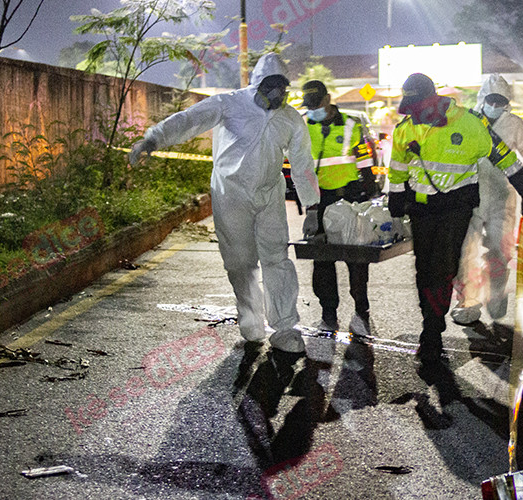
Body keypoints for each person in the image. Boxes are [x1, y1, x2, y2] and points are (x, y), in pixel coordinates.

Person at [129, 53, 320, 353]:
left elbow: (303, 163)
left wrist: (313, 206)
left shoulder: (290, 118)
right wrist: (153, 139)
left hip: (269, 196)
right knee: (239, 263)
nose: (277, 95)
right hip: (231, 195)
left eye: (282, 89)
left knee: (277, 259)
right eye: (270, 88)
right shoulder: (229, 104)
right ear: (256, 84)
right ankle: (251, 319)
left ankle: (285, 327)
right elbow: (190, 120)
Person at [387, 73, 523, 363]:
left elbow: (504, 156)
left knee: (442, 269)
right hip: (421, 211)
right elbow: (397, 171)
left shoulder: (470, 124)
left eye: (417, 105)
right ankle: (431, 321)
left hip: (455, 210)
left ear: (432, 100)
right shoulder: (405, 129)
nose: (413, 112)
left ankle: (431, 331)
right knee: (423, 272)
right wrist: (394, 206)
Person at [450, 74, 523, 325]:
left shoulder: (514, 126)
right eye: (491, 99)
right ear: (482, 98)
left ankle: (496, 293)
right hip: (468, 197)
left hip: (501, 198)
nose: (494, 104)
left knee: (499, 252)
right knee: (462, 254)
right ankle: (466, 302)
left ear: (507, 101)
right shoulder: (466, 121)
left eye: (500, 100)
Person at [300, 80, 378, 335]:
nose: (314, 110)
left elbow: (365, 161)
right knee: (322, 260)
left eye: (317, 104)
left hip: (349, 198)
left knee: (356, 258)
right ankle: (328, 312)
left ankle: (361, 306)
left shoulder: (351, 125)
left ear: (328, 98)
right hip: (319, 201)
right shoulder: (301, 126)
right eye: (310, 106)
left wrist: (371, 191)